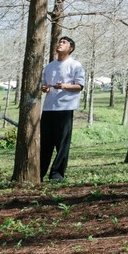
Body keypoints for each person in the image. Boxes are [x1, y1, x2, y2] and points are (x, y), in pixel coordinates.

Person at [39, 35, 85, 183]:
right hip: (48, 108)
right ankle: (39, 172)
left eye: (64, 42)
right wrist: (44, 88)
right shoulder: (50, 66)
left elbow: (79, 86)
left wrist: (64, 86)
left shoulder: (75, 65)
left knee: (62, 143)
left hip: (65, 107)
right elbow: (43, 84)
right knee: (45, 142)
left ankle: (56, 175)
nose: (60, 43)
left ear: (70, 48)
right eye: (59, 41)